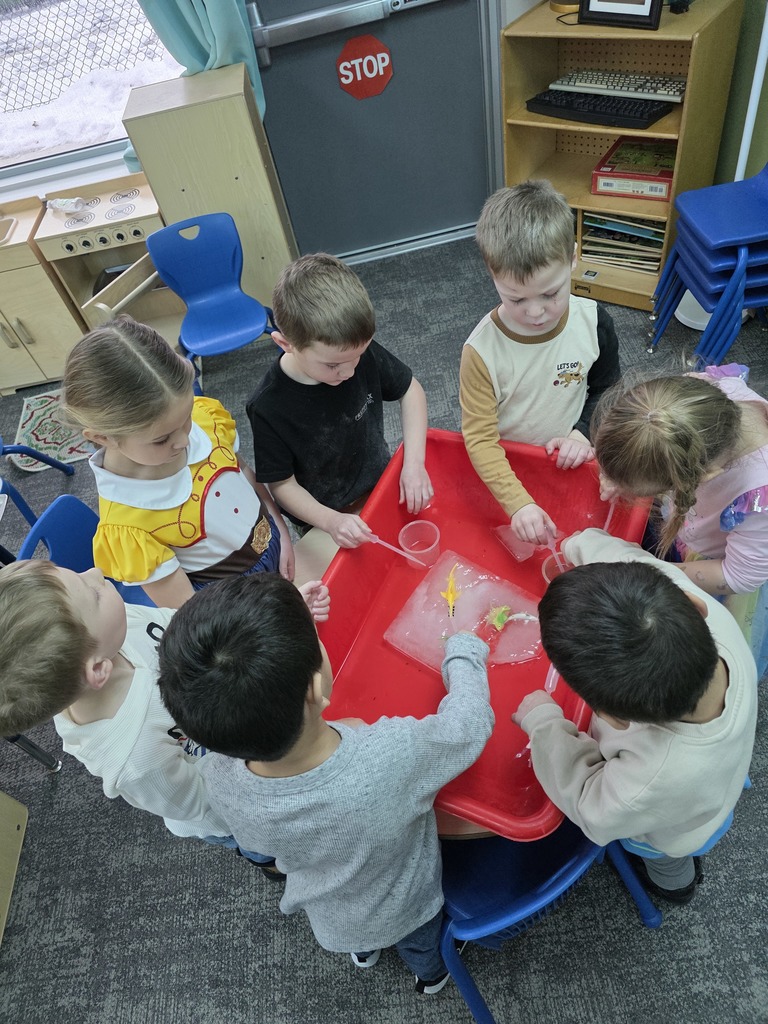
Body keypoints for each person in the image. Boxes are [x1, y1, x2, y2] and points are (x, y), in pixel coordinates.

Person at [157, 572, 494, 994]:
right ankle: (431, 976)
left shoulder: (217, 775)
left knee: (361, 938)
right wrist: (462, 651)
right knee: (422, 943)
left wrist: (285, 622)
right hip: (405, 904)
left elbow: (258, 843)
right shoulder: (389, 756)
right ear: (316, 688)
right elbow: (467, 727)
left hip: (331, 915)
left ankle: (364, 953)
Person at [0, 559, 291, 875]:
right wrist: (259, 774)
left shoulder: (117, 632)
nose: (96, 572)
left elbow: (179, 625)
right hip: (235, 805)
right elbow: (200, 802)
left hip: (232, 724)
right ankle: (269, 863)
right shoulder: (135, 760)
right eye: (94, 593)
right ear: (97, 669)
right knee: (264, 845)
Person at [513, 529, 757, 905]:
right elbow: (636, 562)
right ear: (695, 605)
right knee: (709, 799)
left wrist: (544, 722)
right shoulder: (709, 620)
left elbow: (591, 807)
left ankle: (676, 887)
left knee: (670, 858)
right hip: (721, 772)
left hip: (676, 830)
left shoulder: (648, 781)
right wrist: (576, 543)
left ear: (612, 718)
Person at [58, 315, 298, 609]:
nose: (185, 439)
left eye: (186, 418)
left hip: (275, 544)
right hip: (237, 605)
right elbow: (192, 612)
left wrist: (281, 531)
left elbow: (242, 472)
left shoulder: (200, 420)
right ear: (104, 437)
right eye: (161, 439)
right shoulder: (128, 525)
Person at [460, 180, 620, 546]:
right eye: (515, 299)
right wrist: (517, 505)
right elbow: (480, 440)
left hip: (571, 462)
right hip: (509, 471)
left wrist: (584, 431)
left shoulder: (594, 322)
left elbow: (608, 390)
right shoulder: (481, 352)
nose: (535, 313)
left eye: (550, 293)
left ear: (573, 258)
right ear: (492, 275)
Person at [246, 253, 433, 549]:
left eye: (357, 357)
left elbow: (410, 390)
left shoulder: (351, 353)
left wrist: (413, 464)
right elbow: (282, 485)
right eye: (333, 366)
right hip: (325, 519)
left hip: (381, 486)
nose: (348, 371)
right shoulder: (268, 406)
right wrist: (331, 520)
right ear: (285, 345)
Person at [593, 368, 768, 678]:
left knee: (712, 643)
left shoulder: (759, 500)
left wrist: (647, 568)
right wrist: (620, 474)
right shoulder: (689, 403)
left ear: (701, 476)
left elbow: (738, 576)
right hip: (702, 533)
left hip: (729, 569)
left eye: (655, 489)